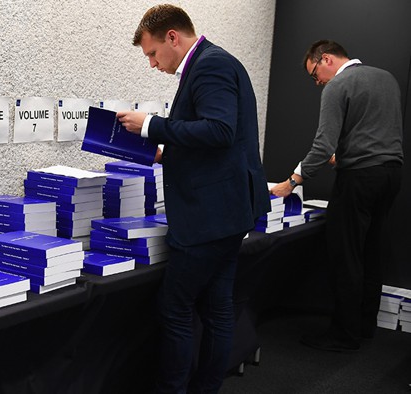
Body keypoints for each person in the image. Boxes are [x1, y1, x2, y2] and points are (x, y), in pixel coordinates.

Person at [117, 4, 270, 393]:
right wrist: (168, 153)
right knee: (218, 310)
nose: (153, 64)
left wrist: (151, 126)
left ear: (173, 37)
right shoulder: (215, 61)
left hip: (209, 218)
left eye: (152, 53)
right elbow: (222, 141)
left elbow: (218, 130)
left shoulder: (210, 65)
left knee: (175, 307)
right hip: (227, 211)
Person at [270, 40, 403, 352]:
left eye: (315, 75)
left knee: (346, 254)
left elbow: (322, 145)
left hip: (359, 178)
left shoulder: (338, 85)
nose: (318, 83)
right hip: (391, 174)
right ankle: (364, 325)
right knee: (371, 250)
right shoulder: (386, 78)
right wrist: (344, 156)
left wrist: (291, 182)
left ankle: (343, 335)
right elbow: (377, 134)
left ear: (326, 58)